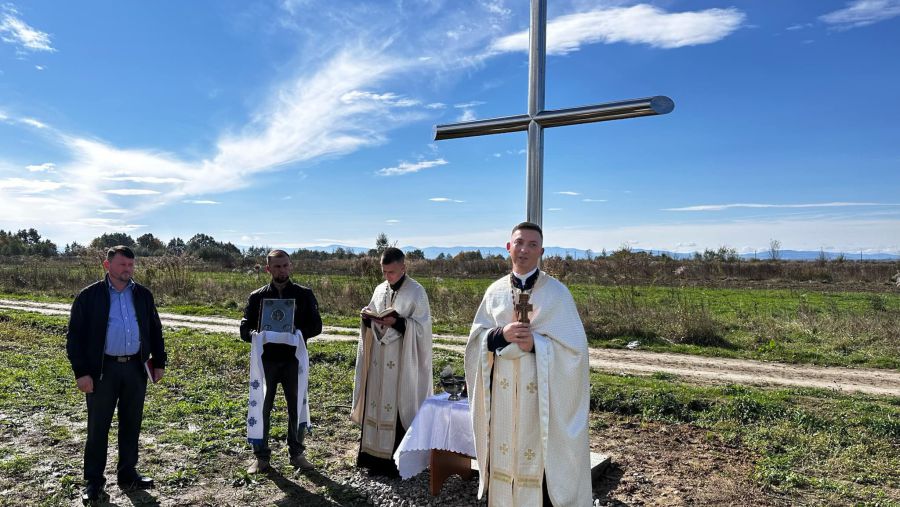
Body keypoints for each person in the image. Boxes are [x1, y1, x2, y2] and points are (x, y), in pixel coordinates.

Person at [464, 222, 591, 506]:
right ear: (509, 247)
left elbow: (576, 353)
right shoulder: (494, 292)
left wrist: (538, 345)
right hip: (503, 398)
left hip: (540, 401)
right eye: (519, 243)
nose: (524, 250)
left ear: (541, 251)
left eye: (532, 245)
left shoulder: (557, 294)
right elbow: (475, 343)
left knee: (540, 466)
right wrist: (500, 334)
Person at [66, 245, 167, 504]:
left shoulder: (143, 294)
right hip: (102, 371)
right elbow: (74, 337)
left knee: (131, 422)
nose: (128, 270)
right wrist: (82, 372)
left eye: (131, 265)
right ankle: (94, 481)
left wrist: (159, 362)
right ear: (107, 265)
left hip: (135, 368)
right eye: (123, 265)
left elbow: (154, 329)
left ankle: (128, 473)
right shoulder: (89, 296)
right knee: (98, 427)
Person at [351, 247, 433, 477]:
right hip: (378, 360)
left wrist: (398, 323)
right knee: (375, 404)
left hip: (401, 361)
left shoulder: (417, 292)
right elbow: (373, 316)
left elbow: (423, 330)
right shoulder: (379, 289)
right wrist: (367, 318)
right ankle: (371, 459)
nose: (388, 277)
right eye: (384, 271)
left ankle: (393, 465)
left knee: (396, 406)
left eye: (392, 272)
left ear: (403, 268)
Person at [240, 249, 322, 473]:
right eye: (277, 266)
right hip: (266, 362)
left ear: (290, 265)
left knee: (295, 407)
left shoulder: (304, 295)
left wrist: (298, 333)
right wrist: (255, 335)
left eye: (285, 265)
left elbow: (317, 326)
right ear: (268, 269)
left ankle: (297, 453)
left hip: (293, 361)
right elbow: (244, 328)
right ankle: (261, 457)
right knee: (262, 407)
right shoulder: (257, 297)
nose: (282, 270)